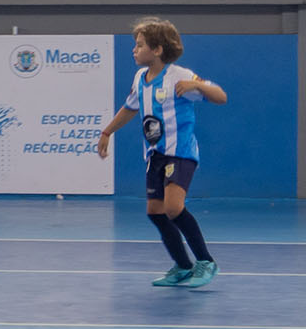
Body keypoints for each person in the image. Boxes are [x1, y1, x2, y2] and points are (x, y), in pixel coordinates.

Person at [97, 17, 228, 288]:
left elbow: (220, 97)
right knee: (155, 212)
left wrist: (198, 86)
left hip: (179, 152)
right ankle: (183, 266)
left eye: (140, 45)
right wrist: (107, 132)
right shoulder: (140, 78)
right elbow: (130, 108)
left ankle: (206, 261)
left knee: (173, 207)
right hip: (154, 154)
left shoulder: (179, 76)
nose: (134, 50)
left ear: (157, 50)